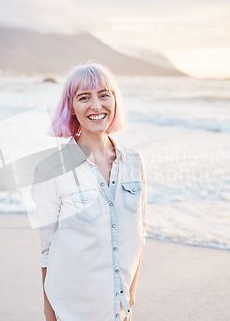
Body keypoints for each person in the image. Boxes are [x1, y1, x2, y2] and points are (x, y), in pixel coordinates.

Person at [31, 63, 148, 321]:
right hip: (73, 311)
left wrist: (131, 299)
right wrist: (49, 313)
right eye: (84, 97)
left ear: (115, 101)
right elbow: (46, 249)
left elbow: (139, 236)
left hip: (120, 312)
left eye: (104, 94)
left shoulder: (135, 162)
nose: (96, 106)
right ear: (71, 107)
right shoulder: (51, 169)